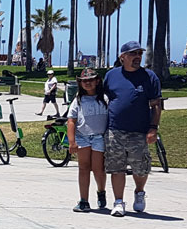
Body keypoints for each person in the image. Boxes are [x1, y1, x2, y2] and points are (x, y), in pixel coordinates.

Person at [103, 41, 162, 216]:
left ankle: (139, 192)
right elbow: (103, 97)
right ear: (122, 57)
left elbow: (156, 105)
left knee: (140, 167)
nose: (137, 57)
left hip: (139, 131)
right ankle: (118, 202)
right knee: (116, 167)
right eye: (133, 54)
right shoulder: (111, 76)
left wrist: (153, 128)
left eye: (139, 54)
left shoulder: (149, 77)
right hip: (115, 129)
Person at [67, 68, 108, 212]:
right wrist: (72, 142)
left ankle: (101, 191)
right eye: (84, 81)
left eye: (91, 80)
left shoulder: (105, 98)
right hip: (82, 137)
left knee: (98, 168)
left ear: (97, 81)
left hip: (99, 137)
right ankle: (84, 200)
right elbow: (71, 120)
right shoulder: (78, 99)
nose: (87, 83)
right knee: (83, 168)